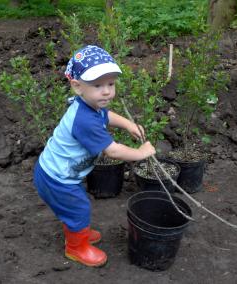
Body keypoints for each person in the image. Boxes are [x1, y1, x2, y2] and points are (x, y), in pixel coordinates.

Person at [33, 45, 156, 267]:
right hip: (56, 179)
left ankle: (76, 230)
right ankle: (75, 248)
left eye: (111, 83)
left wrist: (128, 124)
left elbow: (106, 115)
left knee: (74, 206)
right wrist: (140, 153)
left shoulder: (90, 105)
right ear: (77, 87)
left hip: (59, 174)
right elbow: (113, 151)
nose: (107, 91)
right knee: (79, 208)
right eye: (98, 85)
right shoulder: (84, 120)